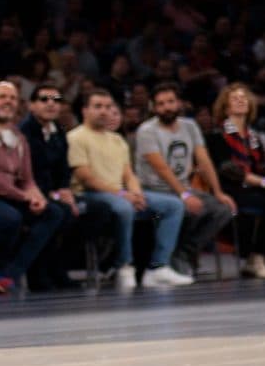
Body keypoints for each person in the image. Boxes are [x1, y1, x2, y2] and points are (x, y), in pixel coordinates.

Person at [69, 89, 187, 289]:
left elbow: (129, 174)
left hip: (120, 193)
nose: (104, 112)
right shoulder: (75, 137)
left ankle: (158, 267)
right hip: (89, 194)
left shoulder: (117, 140)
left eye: (108, 107)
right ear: (85, 110)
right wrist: (124, 194)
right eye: (98, 107)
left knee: (173, 205)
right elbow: (85, 177)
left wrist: (136, 193)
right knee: (124, 207)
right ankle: (123, 265)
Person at [134, 82, 236, 282]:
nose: (167, 107)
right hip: (154, 189)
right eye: (161, 104)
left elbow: (203, 159)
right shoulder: (147, 130)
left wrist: (218, 192)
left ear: (179, 103)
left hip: (182, 189)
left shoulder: (190, 126)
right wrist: (185, 194)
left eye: (171, 102)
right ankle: (170, 259)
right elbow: (161, 168)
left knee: (222, 209)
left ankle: (184, 252)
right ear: (154, 108)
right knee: (186, 208)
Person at [212, 84, 265, 277]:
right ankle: (258, 256)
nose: (241, 100)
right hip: (230, 190)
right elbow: (228, 170)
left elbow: (263, 167)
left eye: (244, 98)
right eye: (235, 98)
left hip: (253, 188)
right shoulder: (217, 135)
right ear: (225, 107)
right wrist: (264, 182)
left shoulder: (254, 137)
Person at [0, 80, 66, 295]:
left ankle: (10, 274)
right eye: (2, 97)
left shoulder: (19, 137)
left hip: (12, 196)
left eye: (12, 98)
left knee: (52, 212)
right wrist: (26, 197)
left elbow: (27, 179)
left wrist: (38, 198)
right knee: (10, 218)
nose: (7, 102)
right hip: (4, 196)